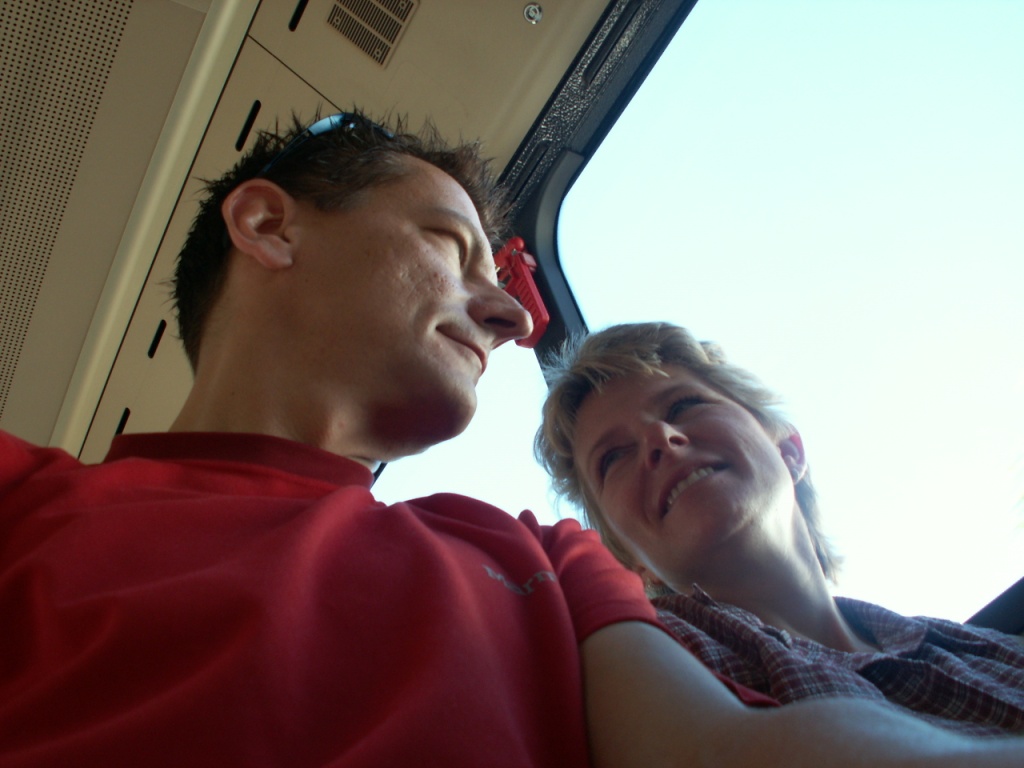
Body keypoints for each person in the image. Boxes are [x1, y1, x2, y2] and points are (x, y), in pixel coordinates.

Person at [2, 111, 1024, 768]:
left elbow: (722, 752)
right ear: (269, 228)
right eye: (451, 247)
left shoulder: (543, 557)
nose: (510, 317)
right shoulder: (24, 502)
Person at [536, 320, 1024, 738]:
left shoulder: (978, 648)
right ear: (630, 561)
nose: (659, 437)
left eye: (683, 406)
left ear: (789, 452)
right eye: (613, 458)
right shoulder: (652, 663)